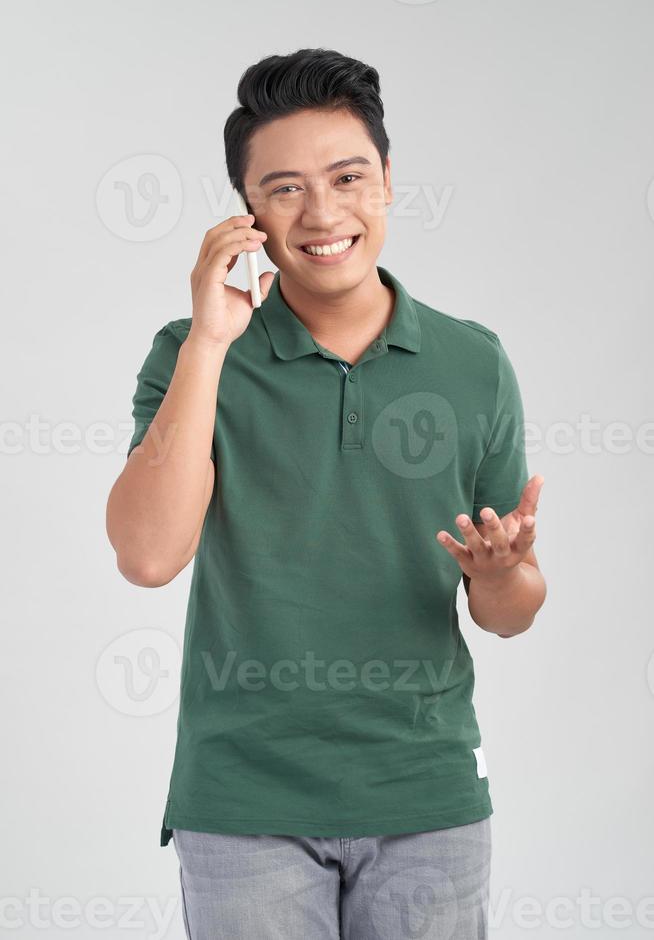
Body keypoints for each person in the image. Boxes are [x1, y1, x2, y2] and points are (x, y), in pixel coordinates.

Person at [106, 47, 547, 939]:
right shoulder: (192, 355)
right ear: (250, 215)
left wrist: (502, 572)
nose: (321, 213)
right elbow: (149, 557)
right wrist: (207, 344)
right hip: (244, 801)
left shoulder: (473, 362)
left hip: (427, 796)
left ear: (387, 180)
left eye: (347, 177)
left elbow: (507, 610)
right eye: (283, 189)